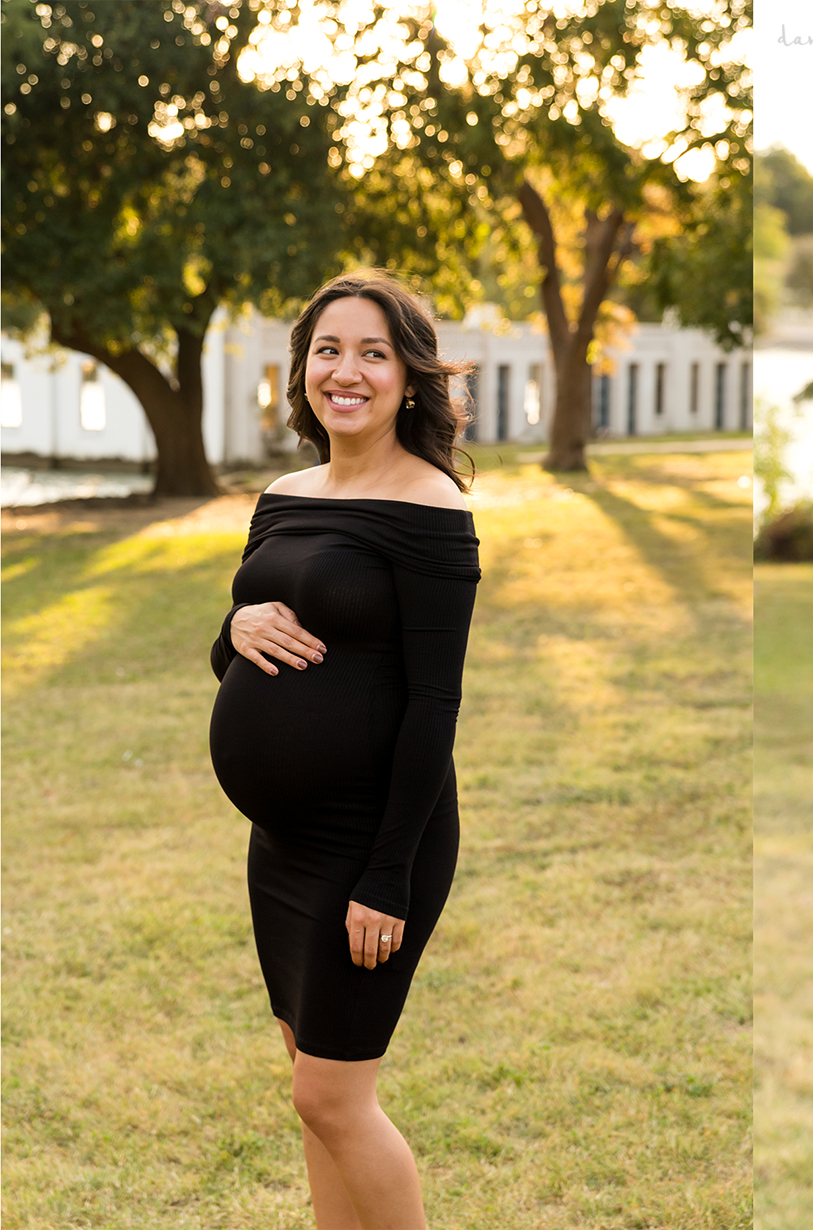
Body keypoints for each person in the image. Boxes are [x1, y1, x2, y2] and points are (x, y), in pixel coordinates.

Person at [209, 269, 479, 1230]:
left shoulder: (431, 507)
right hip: (280, 844)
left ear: (411, 377)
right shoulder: (285, 494)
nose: (347, 371)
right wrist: (233, 628)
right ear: (304, 369)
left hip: (371, 842)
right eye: (330, 350)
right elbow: (238, 639)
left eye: (374, 352)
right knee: (308, 1086)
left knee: (333, 1097)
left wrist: (387, 877)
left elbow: (434, 705)